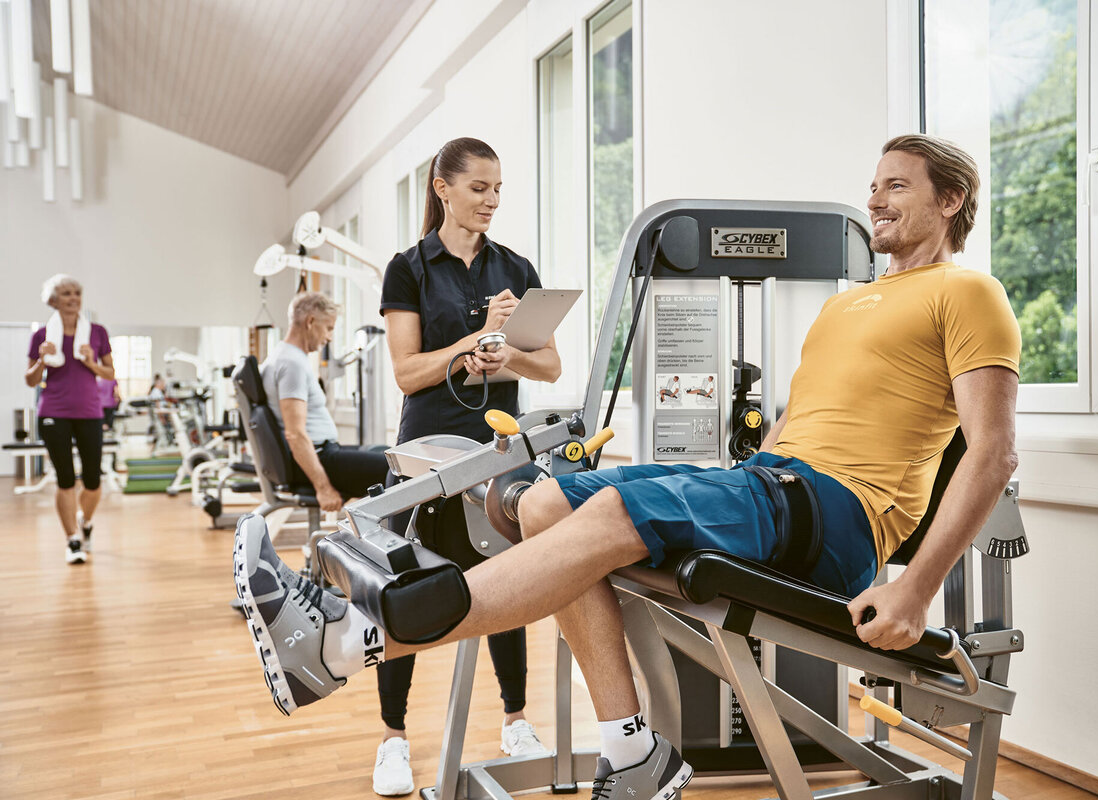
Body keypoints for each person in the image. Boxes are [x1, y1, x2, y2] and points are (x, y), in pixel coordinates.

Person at [235, 134, 1020, 800]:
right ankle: (630, 748)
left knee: (607, 518)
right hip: (773, 481)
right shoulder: (844, 305)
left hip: (836, 515)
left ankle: (352, 640)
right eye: (872, 186)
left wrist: (915, 588)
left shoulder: (968, 292)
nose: (876, 199)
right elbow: (796, 424)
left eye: (896, 186)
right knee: (542, 503)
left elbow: (992, 452)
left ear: (950, 201)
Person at [368, 137, 563, 795]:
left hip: (497, 454)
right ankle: (392, 738)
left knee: (505, 585)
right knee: (406, 591)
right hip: (426, 454)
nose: (491, 200)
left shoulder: (516, 267)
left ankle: (516, 720)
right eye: (479, 187)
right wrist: (469, 345)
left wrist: (503, 351)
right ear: (442, 187)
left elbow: (550, 365)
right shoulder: (409, 270)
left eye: (498, 189)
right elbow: (407, 371)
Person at [260, 292, 390, 510]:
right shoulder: (291, 363)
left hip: (324, 453)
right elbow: (295, 434)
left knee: (389, 454)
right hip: (321, 459)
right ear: (310, 322)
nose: (329, 337)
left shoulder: (284, 357)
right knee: (400, 472)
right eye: (329, 328)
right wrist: (323, 487)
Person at [25, 275, 115, 564]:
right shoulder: (41, 336)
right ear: (53, 300)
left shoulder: (97, 332)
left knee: (92, 480)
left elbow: (110, 373)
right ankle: (72, 540)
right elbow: (30, 380)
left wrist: (90, 361)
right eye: (66, 293)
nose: (73, 297)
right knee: (65, 480)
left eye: (76, 292)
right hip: (54, 412)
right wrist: (41, 360)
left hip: (89, 411)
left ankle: (85, 521)